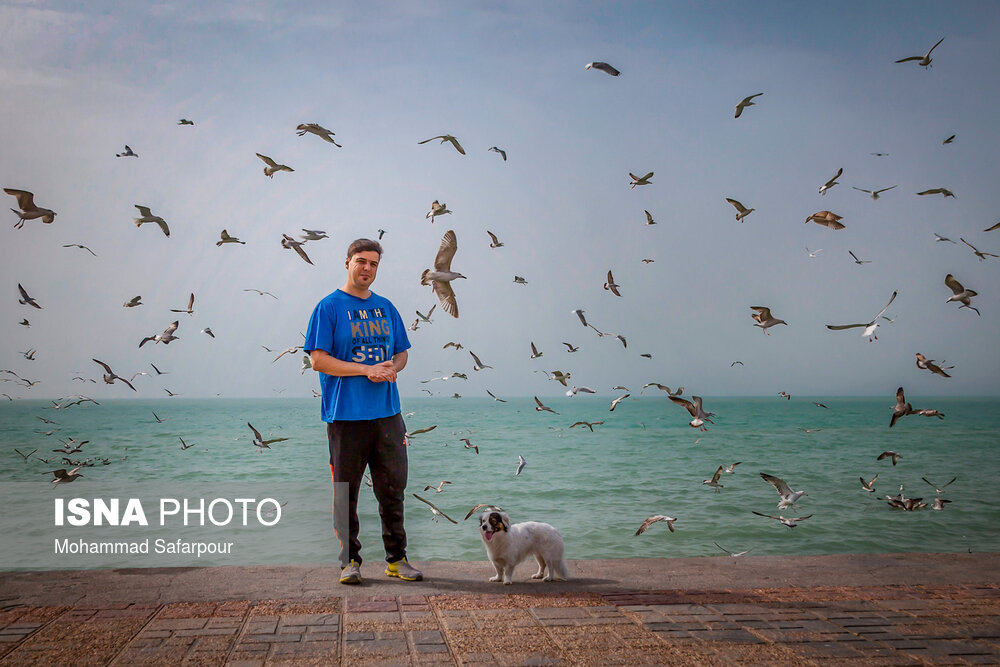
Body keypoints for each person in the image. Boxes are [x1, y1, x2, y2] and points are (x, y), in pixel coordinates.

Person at [304, 238, 421, 585]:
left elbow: (402, 352)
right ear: (347, 263)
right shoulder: (328, 307)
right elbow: (317, 360)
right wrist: (364, 370)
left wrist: (392, 366)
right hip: (345, 417)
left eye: (373, 263)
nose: (367, 268)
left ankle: (397, 560)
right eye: (361, 261)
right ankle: (349, 561)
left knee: (392, 490)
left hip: (387, 415)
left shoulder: (386, 307)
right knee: (346, 493)